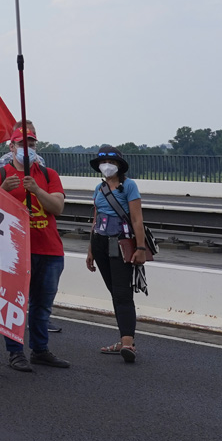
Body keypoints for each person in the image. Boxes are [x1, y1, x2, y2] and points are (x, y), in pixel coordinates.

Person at [0, 124, 70, 372]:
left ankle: (40, 349)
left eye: (32, 144)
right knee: (13, 303)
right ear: (12, 146)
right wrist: (3, 190)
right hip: (14, 252)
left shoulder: (48, 175)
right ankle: (15, 352)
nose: (28, 149)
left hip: (49, 250)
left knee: (42, 305)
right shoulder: (1, 175)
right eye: (22, 144)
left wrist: (36, 189)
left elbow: (57, 208)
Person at [86, 146, 150, 364]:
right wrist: (90, 250)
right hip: (100, 242)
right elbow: (95, 219)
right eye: (103, 162)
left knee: (122, 293)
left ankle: (127, 342)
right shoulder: (99, 188)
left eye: (111, 162)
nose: (106, 166)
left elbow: (137, 219)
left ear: (119, 166)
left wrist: (140, 248)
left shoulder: (129, 186)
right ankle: (123, 338)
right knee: (114, 291)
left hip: (119, 243)